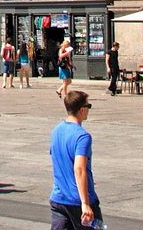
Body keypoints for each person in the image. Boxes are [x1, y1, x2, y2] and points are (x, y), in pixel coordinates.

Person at [49, 89, 101, 230]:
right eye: (88, 106)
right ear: (82, 110)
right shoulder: (82, 137)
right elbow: (79, 168)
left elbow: (60, 161)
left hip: (58, 198)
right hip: (77, 201)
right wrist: (85, 203)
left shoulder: (56, 131)